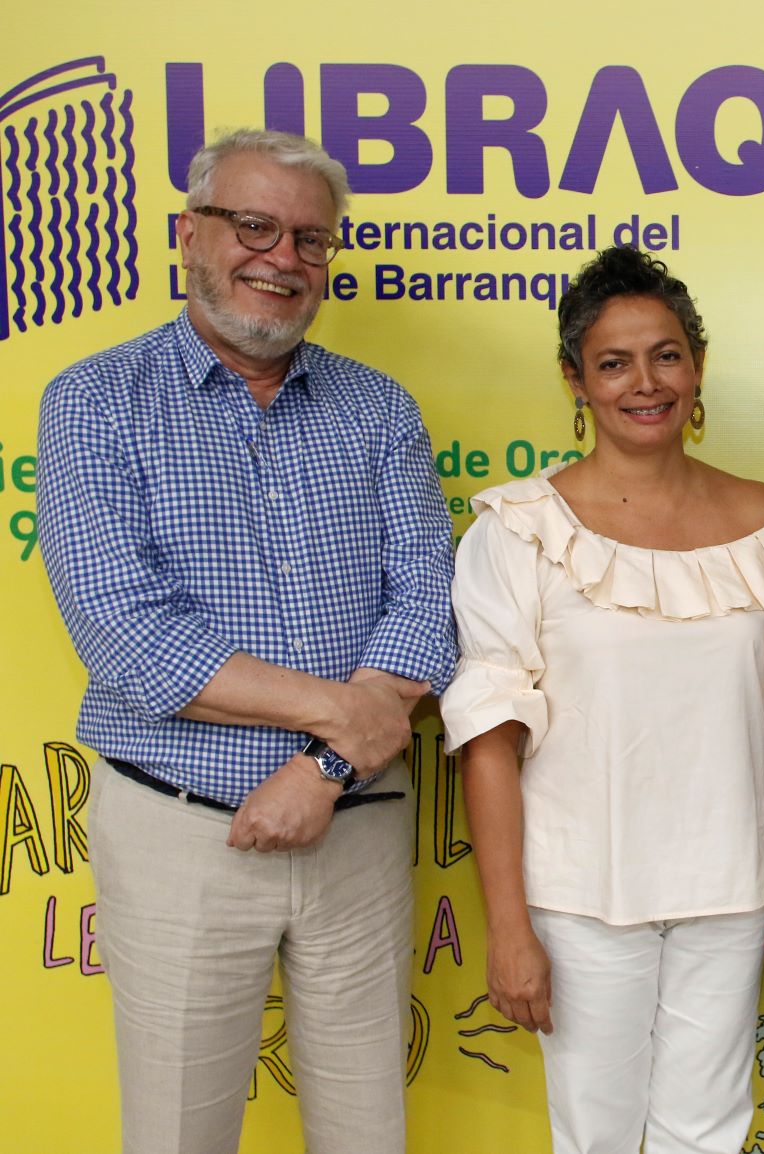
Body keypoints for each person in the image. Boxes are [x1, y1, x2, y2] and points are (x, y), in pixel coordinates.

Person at [36, 129, 456, 1154]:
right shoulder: (93, 401)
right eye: (254, 225)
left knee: (368, 1126)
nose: (282, 258)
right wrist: (339, 714)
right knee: (179, 1129)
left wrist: (321, 766)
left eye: (310, 239)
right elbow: (128, 634)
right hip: (179, 825)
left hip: (355, 822)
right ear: (189, 235)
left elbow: (429, 602)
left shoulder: (379, 408)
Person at [441, 246, 764, 1154]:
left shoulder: (763, 524)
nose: (645, 383)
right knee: (596, 1138)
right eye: (614, 362)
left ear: (696, 364)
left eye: (666, 354)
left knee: (708, 1134)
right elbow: (488, 739)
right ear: (575, 378)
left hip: (728, 888)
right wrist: (510, 927)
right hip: (578, 891)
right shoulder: (521, 530)